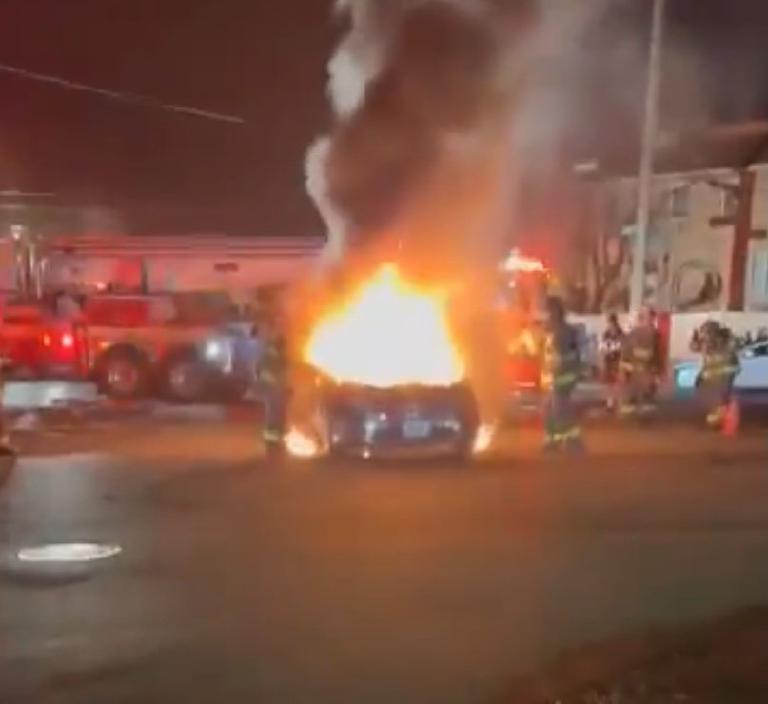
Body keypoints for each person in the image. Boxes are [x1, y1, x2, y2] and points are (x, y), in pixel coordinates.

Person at [539, 296, 583, 452]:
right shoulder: (553, 331)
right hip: (553, 378)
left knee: (561, 411)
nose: (544, 315)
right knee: (548, 410)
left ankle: (574, 442)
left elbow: (569, 357)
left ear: (555, 312)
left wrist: (563, 374)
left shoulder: (563, 332)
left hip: (562, 377)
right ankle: (553, 442)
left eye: (546, 311)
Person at [619, 306, 663, 418]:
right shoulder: (650, 333)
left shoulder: (648, 333)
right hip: (641, 372)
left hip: (640, 372)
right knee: (642, 399)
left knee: (639, 400)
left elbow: (654, 355)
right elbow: (654, 355)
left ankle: (638, 409)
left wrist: (625, 365)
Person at [258, 312, 289, 460]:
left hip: (278, 389)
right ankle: (272, 448)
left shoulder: (279, 349)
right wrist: (276, 383)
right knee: (274, 419)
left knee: (279, 418)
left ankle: (277, 447)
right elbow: (263, 370)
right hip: (273, 390)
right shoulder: (269, 349)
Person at [698, 322, 740, 429]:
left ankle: (720, 417)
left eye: (705, 332)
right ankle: (719, 416)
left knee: (719, 397)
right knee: (716, 397)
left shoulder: (720, 343)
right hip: (718, 376)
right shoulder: (712, 343)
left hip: (721, 376)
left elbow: (726, 361)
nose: (704, 335)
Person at [600, 313, 624, 410]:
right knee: (610, 383)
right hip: (609, 361)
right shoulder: (606, 334)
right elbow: (603, 348)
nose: (609, 325)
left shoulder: (620, 333)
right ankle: (610, 402)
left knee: (617, 382)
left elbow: (622, 347)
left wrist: (610, 349)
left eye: (611, 322)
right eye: (609, 323)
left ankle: (617, 401)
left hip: (617, 361)